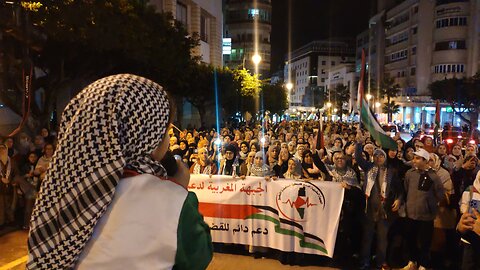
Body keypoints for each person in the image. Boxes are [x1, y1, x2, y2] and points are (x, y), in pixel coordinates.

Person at [27, 74, 212, 269]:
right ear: (146, 135)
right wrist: (181, 191)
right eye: (165, 130)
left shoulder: (60, 192)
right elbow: (199, 255)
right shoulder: (172, 202)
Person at [402, 148, 445, 270]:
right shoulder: (409, 174)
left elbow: (440, 194)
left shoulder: (433, 177)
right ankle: (412, 261)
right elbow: (406, 189)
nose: (414, 160)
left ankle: (424, 264)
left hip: (426, 216)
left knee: (425, 242)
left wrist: (429, 203)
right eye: (414, 158)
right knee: (410, 239)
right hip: (411, 214)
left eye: (417, 158)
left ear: (425, 160)